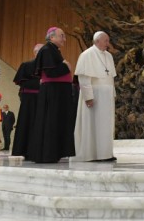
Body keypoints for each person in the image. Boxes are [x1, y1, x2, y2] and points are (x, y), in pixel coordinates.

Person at [27, 27, 75, 163]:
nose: (64, 39)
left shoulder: (53, 50)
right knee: (50, 122)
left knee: (56, 122)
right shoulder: (47, 50)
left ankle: (54, 152)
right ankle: (48, 153)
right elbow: (51, 72)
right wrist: (66, 66)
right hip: (53, 92)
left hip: (58, 92)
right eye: (62, 36)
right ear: (52, 37)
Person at [72, 31, 117, 162]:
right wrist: (88, 97)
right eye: (106, 41)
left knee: (106, 125)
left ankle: (105, 153)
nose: (108, 44)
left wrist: (113, 93)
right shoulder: (87, 55)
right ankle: (92, 154)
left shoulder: (109, 56)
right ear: (97, 41)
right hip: (95, 96)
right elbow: (84, 78)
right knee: (93, 125)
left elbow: (111, 78)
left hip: (107, 97)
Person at [12, 43, 42, 158]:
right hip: (29, 100)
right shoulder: (26, 65)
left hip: (44, 99)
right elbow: (20, 82)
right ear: (35, 53)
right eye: (39, 51)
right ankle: (25, 150)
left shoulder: (49, 67)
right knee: (27, 124)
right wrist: (38, 82)